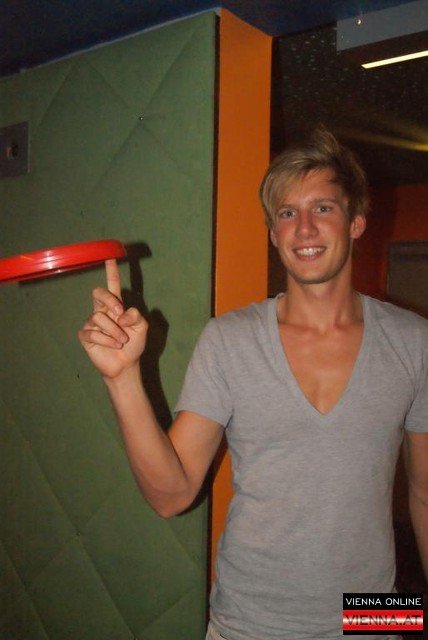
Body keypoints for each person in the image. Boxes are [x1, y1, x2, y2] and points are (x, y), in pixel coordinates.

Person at [78, 129, 428, 640]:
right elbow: (171, 495)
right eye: (287, 213)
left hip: (372, 618)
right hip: (249, 623)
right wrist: (122, 377)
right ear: (273, 234)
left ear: (356, 221)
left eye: (323, 208)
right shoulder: (230, 340)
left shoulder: (414, 341)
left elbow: (425, 493)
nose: (304, 228)